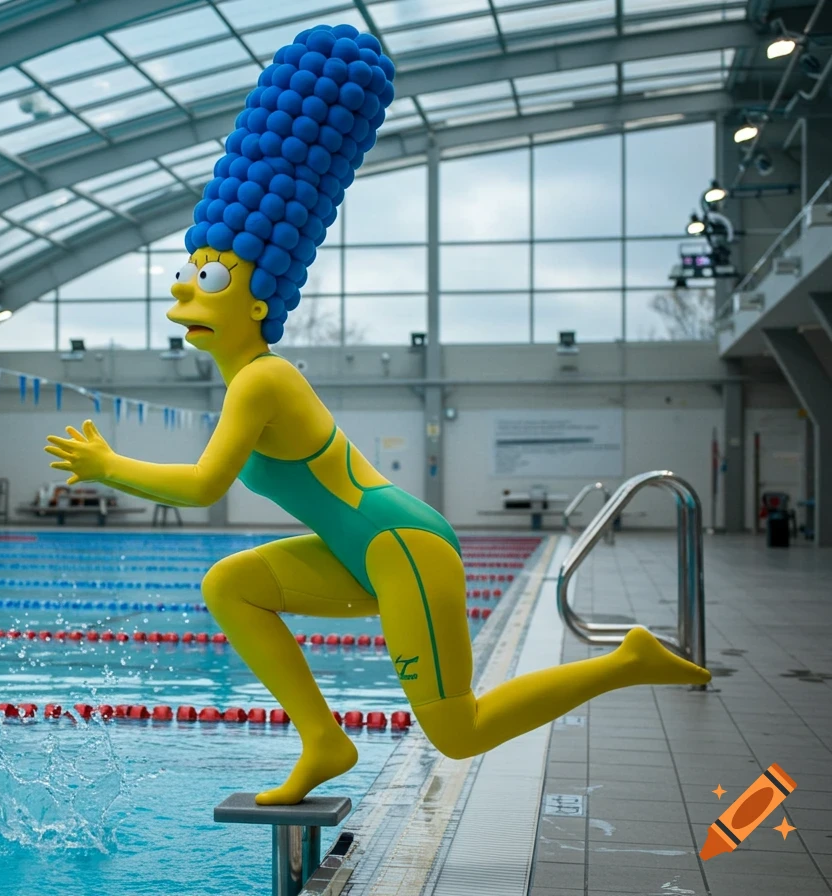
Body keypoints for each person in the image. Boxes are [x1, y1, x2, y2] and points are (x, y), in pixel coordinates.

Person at [45, 24, 710, 807]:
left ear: (257, 303)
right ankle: (324, 739)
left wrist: (106, 467)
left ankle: (626, 661)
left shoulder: (264, 380)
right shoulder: (248, 383)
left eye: (210, 275)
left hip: (403, 549)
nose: (184, 287)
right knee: (230, 584)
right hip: (360, 550)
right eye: (189, 270)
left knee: (457, 730)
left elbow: (201, 487)